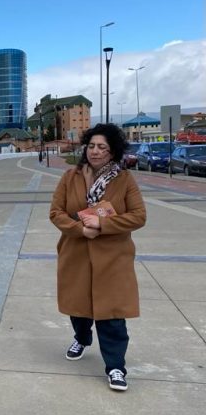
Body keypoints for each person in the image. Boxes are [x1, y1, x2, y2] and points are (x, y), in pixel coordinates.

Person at [49, 123, 146, 391]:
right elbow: (56, 212)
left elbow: (139, 216)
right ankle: (81, 337)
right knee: (78, 308)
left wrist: (101, 226)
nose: (95, 151)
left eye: (102, 147)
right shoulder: (70, 176)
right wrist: (79, 229)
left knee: (112, 315)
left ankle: (115, 366)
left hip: (113, 258)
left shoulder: (124, 180)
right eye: (91, 146)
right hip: (76, 253)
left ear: (113, 151)